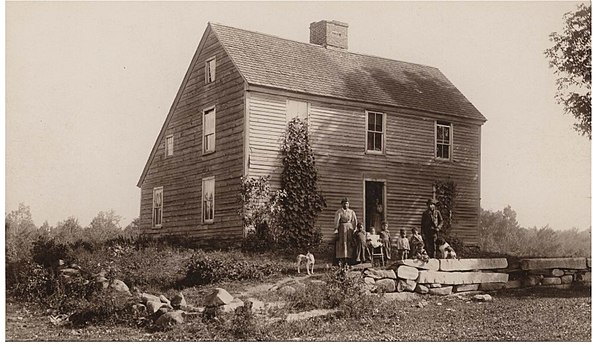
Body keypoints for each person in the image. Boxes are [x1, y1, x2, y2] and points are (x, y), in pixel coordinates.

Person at [334, 197, 357, 265]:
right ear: (342, 204)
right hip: (342, 228)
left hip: (349, 228)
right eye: (344, 204)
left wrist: (354, 228)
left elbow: (354, 221)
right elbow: (336, 221)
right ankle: (342, 258)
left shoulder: (351, 212)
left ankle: (349, 258)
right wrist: (336, 229)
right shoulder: (339, 212)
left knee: (349, 242)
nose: (346, 205)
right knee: (342, 242)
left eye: (347, 204)